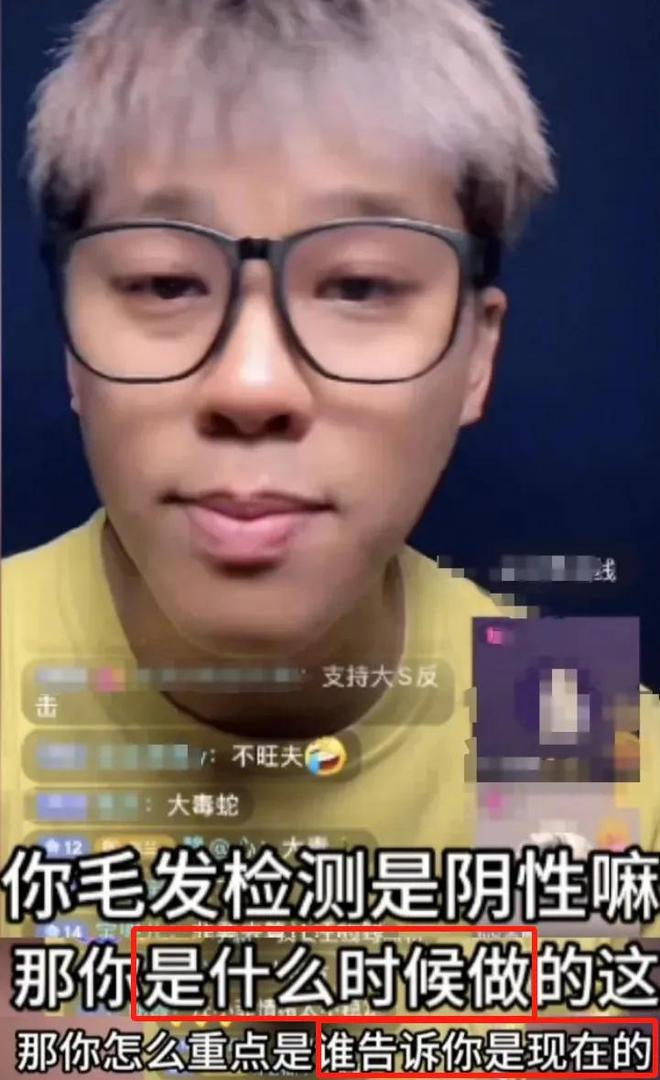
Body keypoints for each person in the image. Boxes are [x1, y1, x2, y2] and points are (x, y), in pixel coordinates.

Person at [1, 0, 658, 948]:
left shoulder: (576, 737)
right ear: (72, 341)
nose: (252, 384)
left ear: (477, 356)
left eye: (359, 285)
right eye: (165, 282)